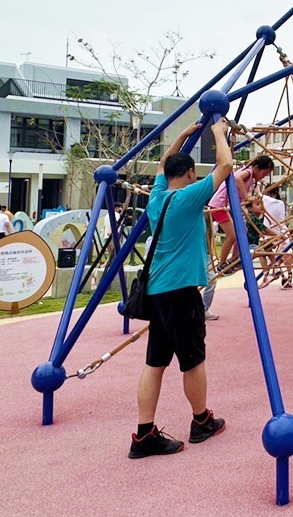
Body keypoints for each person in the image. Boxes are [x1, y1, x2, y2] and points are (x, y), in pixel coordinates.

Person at [129, 118, 233, 460]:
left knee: (155, 362)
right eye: (193, 172)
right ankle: (202, 421)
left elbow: (162, 163)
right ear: (189, 173)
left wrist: (185, 134)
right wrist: (217, 133)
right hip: (181, 291)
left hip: (158, 293)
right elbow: (226, 165)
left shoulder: (157, 199)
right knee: (193, 360)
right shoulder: (189, 197)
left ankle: (144, 434)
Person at [209, 155, 275, 272]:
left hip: (230, 206)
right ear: (256, 168)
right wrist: (247, 197)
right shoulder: (248, 172)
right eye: (263, 174)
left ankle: (234, 258)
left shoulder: (250, 176)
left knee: (243, 231)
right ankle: (222, 263)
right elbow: (238, 179)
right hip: (220, 205)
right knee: (233, 235)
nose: (262, 177)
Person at [262, 185, 293, 288]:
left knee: (268, 252)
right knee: (283, 255)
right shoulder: (281, 203)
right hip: (280, 231)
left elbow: (258, 194)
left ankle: (275, 273)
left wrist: (259, 184)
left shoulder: (266, 200)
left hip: (271, 232)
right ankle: (285, 276)